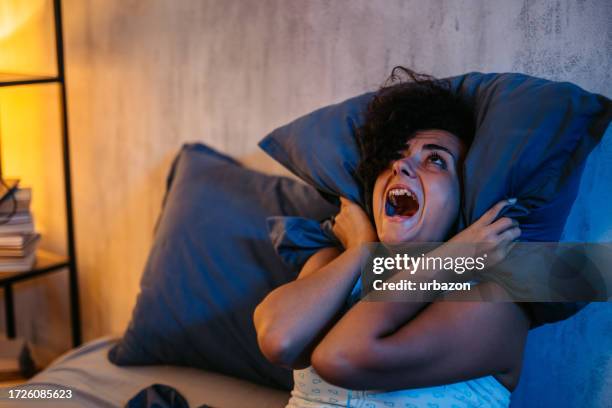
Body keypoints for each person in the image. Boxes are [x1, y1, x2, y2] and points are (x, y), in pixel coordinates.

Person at [254, 67, 529, 408]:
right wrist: (360, 249)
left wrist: (448, 262)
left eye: (435, 159)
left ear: (466, 196)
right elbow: (278, 339)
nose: (400, 167)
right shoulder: (333, 263)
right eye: (393, 157)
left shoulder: (494, 303)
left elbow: (340, 357)